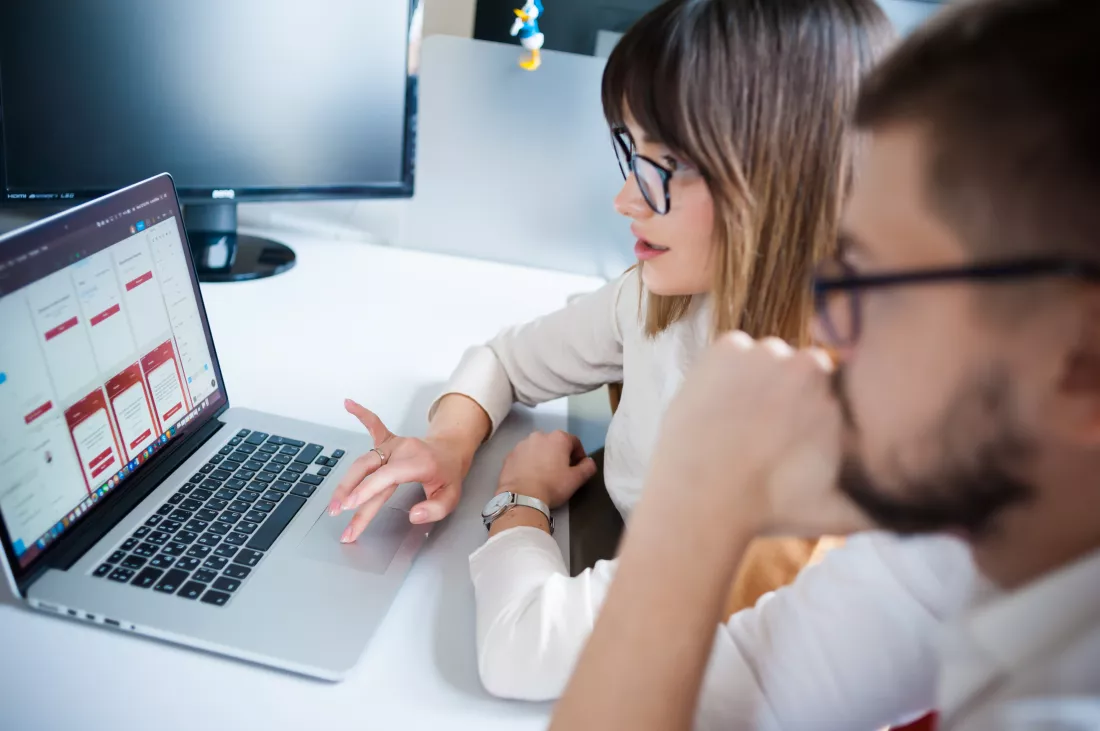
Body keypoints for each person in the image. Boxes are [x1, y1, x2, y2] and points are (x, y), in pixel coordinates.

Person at [326, 0, 898, 701]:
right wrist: (448, 440)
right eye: (632, 153)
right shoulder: (669, 294)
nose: (626, 198)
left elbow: (518, 650)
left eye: (669, 166)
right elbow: (506, 358)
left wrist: (520, 495)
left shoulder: (793, 454)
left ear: (779, 182)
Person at [551, 0, 1100, 729]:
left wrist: (694, 503)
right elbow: (739, 692)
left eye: (867, 284)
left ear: (1080, 366)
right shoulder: (962, 536)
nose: (829, 341)